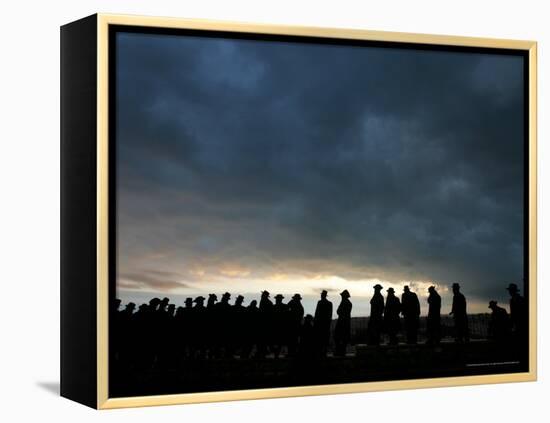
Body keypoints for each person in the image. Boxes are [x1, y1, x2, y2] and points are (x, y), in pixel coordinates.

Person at [314, 290, 333, 357]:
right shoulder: (330, 303)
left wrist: (315, 323)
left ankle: (319, 352)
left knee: (319, 338)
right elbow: (330, 315)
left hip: (319, 324)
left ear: (322, 295)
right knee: (324, 338)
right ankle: (324, 352)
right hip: (326, 324)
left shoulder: (319, 303)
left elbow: (316, 313)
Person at [334, 290, 352, 356]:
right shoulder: (349, 303)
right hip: (346, 323)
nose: (341, 297)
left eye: (342, 296)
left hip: (342, 322)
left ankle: (339, 351)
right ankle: (342, 351)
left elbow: (338, 311)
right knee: (343, 338)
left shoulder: (344, 303)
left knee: (338, 337)